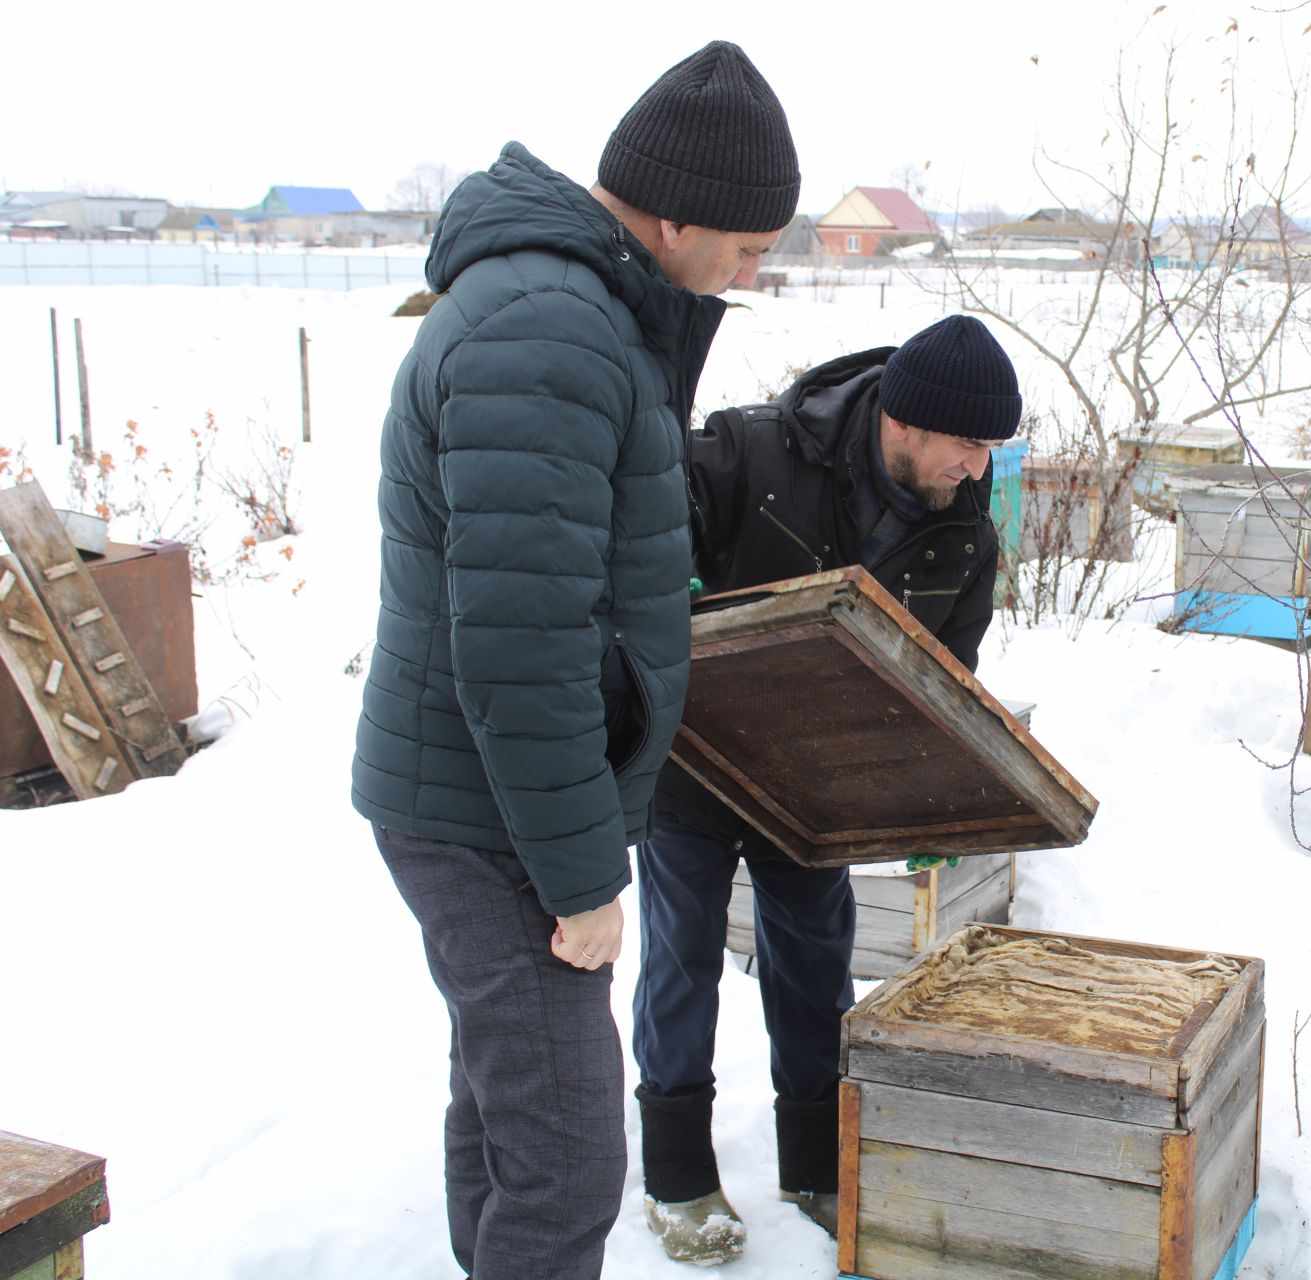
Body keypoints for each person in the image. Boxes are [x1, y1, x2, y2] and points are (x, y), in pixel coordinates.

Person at [349, 41, 798, 1280]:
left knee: (507, 1105)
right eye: (749, 245)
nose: (759, 272)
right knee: (562, 1153)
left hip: (488, 793)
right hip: (491, 808)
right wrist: (579, 878)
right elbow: (520, 642)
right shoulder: (548, 333)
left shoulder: (581, 313)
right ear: (670, 214)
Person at [632, 314, 1022, 1263]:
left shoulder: (962, 539)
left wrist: (933, 797)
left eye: (992, 449)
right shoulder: (755, 448)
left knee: (816, 960)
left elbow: (943, 687)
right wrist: (663, 582)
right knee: (681, 956)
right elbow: (639, 510)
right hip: (700, 750)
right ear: (908, 420)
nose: (979, 468)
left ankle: (815, 1162)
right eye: (969, 444)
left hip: (815, 784)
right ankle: (677, 1173)